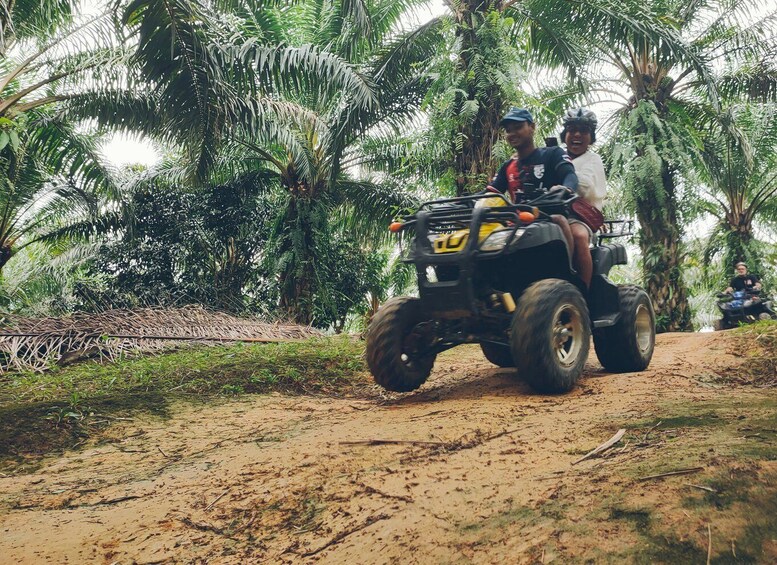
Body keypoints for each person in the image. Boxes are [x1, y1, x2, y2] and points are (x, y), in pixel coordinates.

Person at [486, 107, 578, 261]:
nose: (512, 133)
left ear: (532, 127)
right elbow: (491, 193)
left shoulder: (553, 154)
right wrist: (466, 203)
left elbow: (569, 175)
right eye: (508, 130)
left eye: (518, 127)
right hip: (517, 220)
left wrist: (565, 188)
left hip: (548, 216)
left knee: (559, 219)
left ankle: (569, 270)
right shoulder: (508, 166)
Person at [560, 107, 607, 289]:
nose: (577, 135)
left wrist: (563, 170)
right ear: (565, 134)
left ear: (591, 137)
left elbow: (586, 187)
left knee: (578, 236)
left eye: (583, 131)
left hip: (580, 215)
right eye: (572, 130)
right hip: (551, 211)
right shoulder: (556, 154)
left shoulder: (592, 159)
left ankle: (583, 290)